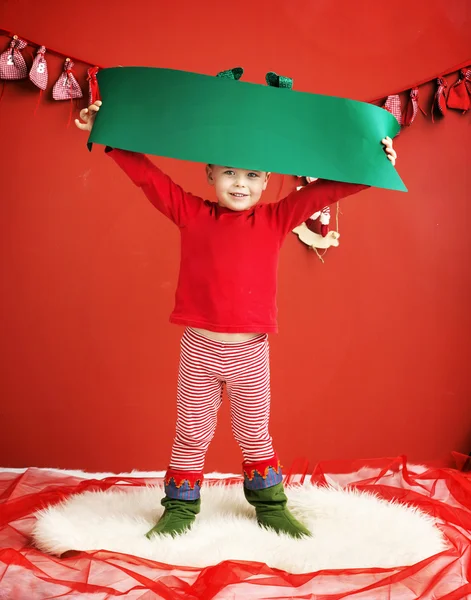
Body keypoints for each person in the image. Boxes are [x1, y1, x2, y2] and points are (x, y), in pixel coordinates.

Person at [76, 100, 397, 539]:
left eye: (251, 174)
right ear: (209, 172)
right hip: (200, 350)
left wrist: (373, 161)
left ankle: (270, 504)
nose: (239, 183)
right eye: (229, 172)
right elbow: (148, 178)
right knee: (190, 434)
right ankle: (180, 508)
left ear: (267, 181)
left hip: (250, 353)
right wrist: (105, 132)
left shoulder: (277, 218)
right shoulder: (191, 213)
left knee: (255, 433)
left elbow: (326, 191)